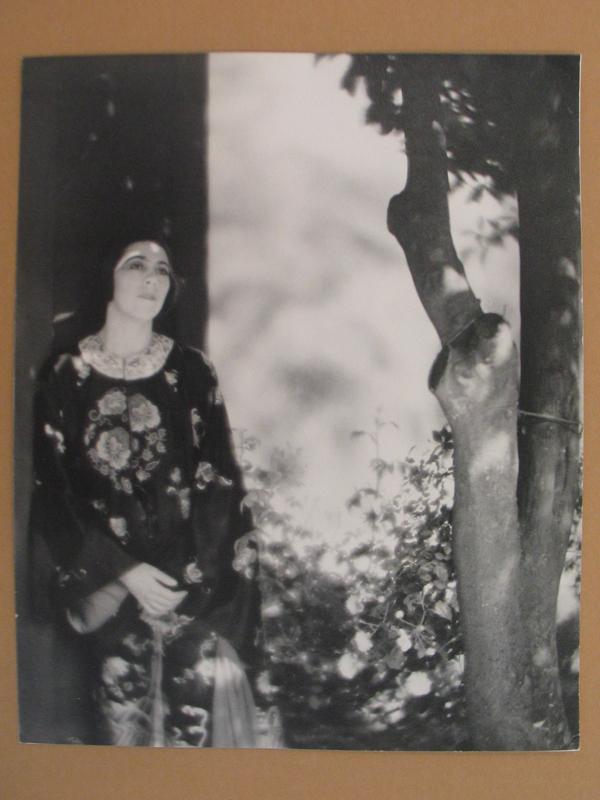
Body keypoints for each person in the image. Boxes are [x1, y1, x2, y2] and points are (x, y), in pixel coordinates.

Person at [30, 237, 268, 747]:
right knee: (122, 744)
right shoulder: (66, 375)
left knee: (191, 744)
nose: (151, 278)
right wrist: (123, 572)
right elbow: (54, 491)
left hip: (186, 590)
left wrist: (184, 578)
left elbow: (219, 482)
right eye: (136, 265)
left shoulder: (191, 371)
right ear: (108, 277)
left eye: (162, 269)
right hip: (107, 590)